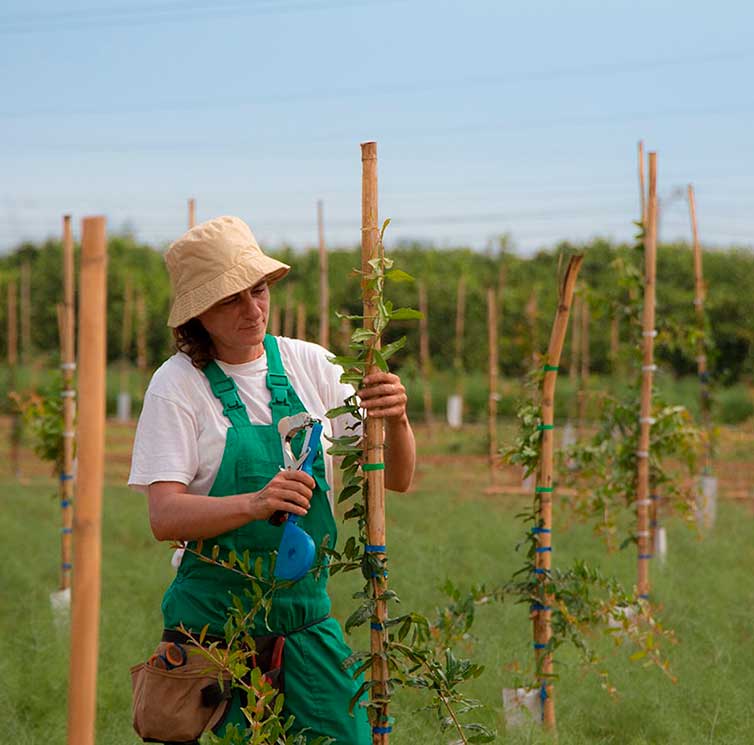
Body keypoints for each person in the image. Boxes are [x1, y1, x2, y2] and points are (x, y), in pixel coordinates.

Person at [128, 215, 416, 744]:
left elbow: (396, 478)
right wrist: (255, 502)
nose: (251, 309)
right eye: (229, 299)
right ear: (197, 314)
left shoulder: (314, 365)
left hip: (307, 621)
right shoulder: (176, 387)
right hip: (214, 633)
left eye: (257, 291)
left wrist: (396, 419)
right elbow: (164, 516)